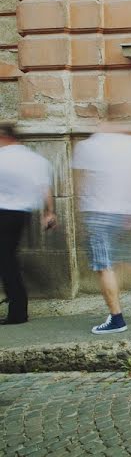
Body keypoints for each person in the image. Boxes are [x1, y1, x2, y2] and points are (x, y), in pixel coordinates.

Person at [72, 125, 131, 334]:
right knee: (118, 264)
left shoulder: (91, 145)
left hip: (99, 213)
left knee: (105, 267)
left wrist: (82, 216)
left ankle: (117, 319)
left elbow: (82, 184)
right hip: (126, 212)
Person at [0, 122, 56, 325]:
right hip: (21, 214)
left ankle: (17, 311)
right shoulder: (34, 159)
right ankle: (17, 307)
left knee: (6, 262)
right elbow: (44, 188)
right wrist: (49, 212)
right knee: (8, 260)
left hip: (3, 213)